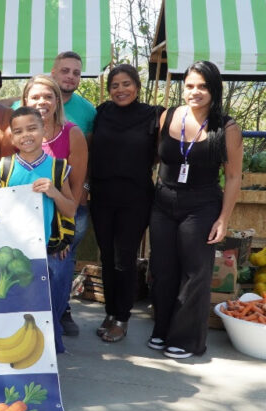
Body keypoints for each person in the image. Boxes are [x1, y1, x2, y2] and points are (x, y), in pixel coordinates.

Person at [148, 61, 243, 359]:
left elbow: (233, 177)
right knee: (162, 270)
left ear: (214, 90)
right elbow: (156, 157)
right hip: (163, 201)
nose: (195, 92)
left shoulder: (227, 128)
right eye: (190, 85)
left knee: (195, 273)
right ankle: (161, 330)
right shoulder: (169, 116)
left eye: (202, 86)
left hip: (201, 205)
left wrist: (223, 219)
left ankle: (187, 340)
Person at [12, 52, 96, 336]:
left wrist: (65, 235)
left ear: (57, 101)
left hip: (59, 223)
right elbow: (3, 177)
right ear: (24, 102)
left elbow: (77, 186)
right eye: (35, 98)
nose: (41, 103)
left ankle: (53, 331)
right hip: (21, 224)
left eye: (47, 97)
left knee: (57, 275)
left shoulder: (72, 134)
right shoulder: (15, 133)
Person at [0, 107, 77, 352]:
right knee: (16, 307)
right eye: (18, 131)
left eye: (32, 128)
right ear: (11, 136)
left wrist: (54, 192)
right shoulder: (3, 169)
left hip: (48, 251)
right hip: (14, 254)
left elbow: (70, 209)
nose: (26, 135)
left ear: (44, 130)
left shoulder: (58, 168)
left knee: (48, 306)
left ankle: (49, 353)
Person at [90, 65, 163, 342]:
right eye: (115, 85)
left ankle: (122, 317)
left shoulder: (153, 115)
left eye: (126, 84)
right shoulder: (101, 113)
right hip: (102, 195)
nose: (120, 90)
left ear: (137, 86)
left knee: (125, 259)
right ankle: (110, 312)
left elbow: (159, 152)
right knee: (107, 257)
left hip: (135, 197)